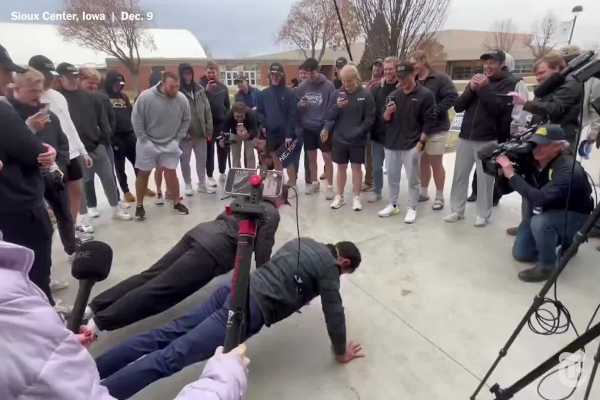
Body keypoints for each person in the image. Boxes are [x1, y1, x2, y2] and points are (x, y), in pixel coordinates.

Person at [95, 238, 364, 399]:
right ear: (344, 264)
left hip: (234, 288)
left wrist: (294, 295)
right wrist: (341, 352)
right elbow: (334, 312)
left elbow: (279, 269)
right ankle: (97, 394)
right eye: (343, 274)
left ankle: (94, 370)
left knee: (165, 335)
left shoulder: (304, 241)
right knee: (171, 357)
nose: (339, 278)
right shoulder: (330, 268)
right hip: (245, 310)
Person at [0, 239, 251, 400]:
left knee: (154, 289)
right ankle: (99, 319)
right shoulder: (9, 302)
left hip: (201, 240)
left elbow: (22, 362)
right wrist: (223, 380)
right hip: (236, 283)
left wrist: (55, 343)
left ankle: (96, 315)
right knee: (168, 350)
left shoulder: (9, 284)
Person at [85, 196, 280, 334]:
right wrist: (268, 278)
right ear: (280, 200)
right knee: (160, 289)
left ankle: (93, 307)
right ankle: (100, 322)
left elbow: (228, 215)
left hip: (199, 233)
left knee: (149, 276)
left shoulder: (246, 196)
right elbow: (263, 250)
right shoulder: (271, 213)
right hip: (212, 252)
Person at [497, 126, 594, 282]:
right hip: (550, 210)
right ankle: (557, 241)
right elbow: (507, 191)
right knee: (521, 254)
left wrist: (512, 176)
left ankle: (548, 266)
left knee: (540, 222)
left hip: (576, 216)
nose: (537, 148)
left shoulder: (568, 169)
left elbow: (539, 199)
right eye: (535, 143)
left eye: (543, 144)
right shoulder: (534, 162)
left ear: (559, 147)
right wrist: (503, 175)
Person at [0, 44, 57, 304]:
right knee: (35, 272)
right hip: (20, 205)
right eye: (5, 71)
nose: (8, 78)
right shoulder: (3, 109)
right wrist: (44, 152)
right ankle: (48, 325)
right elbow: (33, 152)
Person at [9, 68, 78, 260]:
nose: (38, 96)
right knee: (40, 228)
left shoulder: (48, 115)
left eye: (40, 91)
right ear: (17, 89)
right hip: (28, 182)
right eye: (32, 91)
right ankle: (39, 269)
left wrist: (60, 165)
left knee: (65, 214)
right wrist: (29, 128)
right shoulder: (9, 116)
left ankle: (72, 250)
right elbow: (11, 149)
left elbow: (63, 143)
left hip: (54, 175)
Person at [444, 50, 517, 227]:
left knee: (485, 178)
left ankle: (483, 213)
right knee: (460, 175)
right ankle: (456, 210)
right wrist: (471, 89)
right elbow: (459, 106)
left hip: (488, 138)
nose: (487, 66)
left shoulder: (509, 83)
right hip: (466, 136)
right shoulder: (477, 81)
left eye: (492, 63)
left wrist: (484, 89)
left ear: (502, 64)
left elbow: (498, 110)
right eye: (485, 63)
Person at [29, 55, 94, 242]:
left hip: (72, 151)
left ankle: (71, 227)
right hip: (53, 156)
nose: (50, 78)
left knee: (77, 190)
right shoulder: (33, 99)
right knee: (60, 198)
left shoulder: (58, 96)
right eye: (46, 74)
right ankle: (67, 235)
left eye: (52, 74)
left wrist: (82, 150)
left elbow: (69, 124)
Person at [56, 62, 131, 223]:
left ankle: (115, 208)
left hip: (98, 145)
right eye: (70, 77)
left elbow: (104, 120)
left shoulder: (94, 97)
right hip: (76, 150)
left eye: (75, 76)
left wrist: (104, 138)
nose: (73, 80)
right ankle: (83, 217)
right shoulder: (59, 98)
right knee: (81, 184)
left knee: (109, 178)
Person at [378, 62, 435, 223]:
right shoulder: (394, 94)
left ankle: (412, 207)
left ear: (413, 75)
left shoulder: (425, 95)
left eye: (404, 77)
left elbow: (429, 121)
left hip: (412, 144)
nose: (401, 81)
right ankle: (393, 204)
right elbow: (384, 119)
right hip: (392, 143)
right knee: (392, 177)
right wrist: (388, 112)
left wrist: (421, 142)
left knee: (412, 180)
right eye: (399, 78)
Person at [132, 71, 191, 220]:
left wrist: (177, 139)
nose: (175, 90)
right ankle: (139, 205)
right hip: (147, 142)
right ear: (163, 83)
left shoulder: (181, 99)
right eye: (172, 87)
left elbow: (186, 120)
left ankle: (176, 201)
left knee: (171, 172)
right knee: (143, 173)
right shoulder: (146, 97)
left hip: (170, 142)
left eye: (177, 87)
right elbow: (136, 119)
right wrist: (144, 140)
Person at [411, 50, 458, 211]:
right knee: (422, 161)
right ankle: (423, 192)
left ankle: (439, 196)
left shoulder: (440, 78)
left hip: (437, 128)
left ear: (423, 61)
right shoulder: (414, 80)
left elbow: (452, 96)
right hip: (420, 129)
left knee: (435, 162)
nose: (413, 67)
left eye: (415, 63)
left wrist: (436, 110)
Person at [323, 64, 375, 211]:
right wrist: (337, 107)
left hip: (357, 139)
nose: (346, 84)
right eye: (344, 81)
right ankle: (339, 196)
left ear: (356, 78)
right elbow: (329, 116)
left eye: (349, 81)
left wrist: (359, 131)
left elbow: (370, 119)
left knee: (356, 167)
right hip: (340, 139)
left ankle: (357, 197)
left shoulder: (365, 95)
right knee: (341, 168)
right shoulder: (337, 94)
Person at [510, 51, 583, 148]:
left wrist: (525, 103)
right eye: (536, 75)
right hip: (547, 137)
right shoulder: (551, 86)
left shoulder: (571, 84)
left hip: (560, 142)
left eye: (541, 73)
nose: (538, 78)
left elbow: (554, 109)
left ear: (557, 68)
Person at [78, 67, 120, 218]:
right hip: (81, 148)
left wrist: (105, 136)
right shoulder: (73, 100)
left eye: (96, 84)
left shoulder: (100, 98)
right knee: (86, 179)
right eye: (90, 83)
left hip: (101, 143)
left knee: (109, 175)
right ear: (80, 80)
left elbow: (108, 118)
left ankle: (116, 205)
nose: (93, 86)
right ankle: (90, 206)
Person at [295, 57, 336, 198]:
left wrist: (327, 127)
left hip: (323, 127)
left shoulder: (329, 86)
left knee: (327, 157)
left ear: (317, 70)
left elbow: (333, 109)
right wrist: (300, 105)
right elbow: (297, 107)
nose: (309, 76)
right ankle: (314, 183)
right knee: (311, 157)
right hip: (308, 128)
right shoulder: (302, 87)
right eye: (306, 73)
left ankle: (330, 186)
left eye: (311, 73)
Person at [256, 62, 300, 186]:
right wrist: (263, 125)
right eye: (272, 74)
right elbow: (260, 113)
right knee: (275, 159)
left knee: (288, 159)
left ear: (282, 76)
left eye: (277, 75)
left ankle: (292, 185)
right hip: (271, 133)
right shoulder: (263, 94)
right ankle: (279, 184)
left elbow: (293, 115)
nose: (275, 77)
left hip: (286, 134)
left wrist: (290, 134)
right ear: (269, 76)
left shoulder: (289, 93)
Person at [177, 63, 215, 196]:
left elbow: (207, 110)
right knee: (185, 161)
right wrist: (181, 132)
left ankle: (202, 183)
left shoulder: (199, 89)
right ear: (181, 75)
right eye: (184, 73)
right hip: (185, 136)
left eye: (189, 73)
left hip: (201, 133)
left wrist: (209, 129)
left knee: (201, 160)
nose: (187, 76)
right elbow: (175, 114)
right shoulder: (178, 91)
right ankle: (187, 184)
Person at [103, 70, 139, 203]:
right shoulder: (103, 97)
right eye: (116, 83)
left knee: (138, 162)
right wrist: (110, 136)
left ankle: (142, 186)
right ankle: (126, 191)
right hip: (115, 137)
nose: (119, 86)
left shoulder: (123, 97)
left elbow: (130, 113)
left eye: (121, 83)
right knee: (120, 166)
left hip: (129, 134)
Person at [368, 57, 398, 204]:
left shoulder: (402, 87)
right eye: (385, 69)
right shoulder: (376, 88)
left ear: (397, 69)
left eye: (390, 69)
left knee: (393, 169)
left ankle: (394, 195)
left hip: (395, 136)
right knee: (377, 166)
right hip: (377, 135)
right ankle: (376, 190)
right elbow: (371, 111)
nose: (387, 71)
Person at [201, 61, 230, 187]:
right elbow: (199, 104)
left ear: (217, 73)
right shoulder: (200, 87)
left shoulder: (223, 87)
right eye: (209, 72)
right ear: (205, 72)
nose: (211, 74)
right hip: (208, 125)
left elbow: (227, 105)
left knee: (223, 149)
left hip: (222, 124)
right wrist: (206, 91)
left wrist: (227, 122)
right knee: (209, 151)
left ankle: (223, 172)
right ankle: (210, 175)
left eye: (213, 72)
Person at [363, 58, 384, 193]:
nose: (376, 68)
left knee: (375, 158)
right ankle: (369, 180)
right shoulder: (370, 83)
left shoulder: (382, 83)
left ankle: (372, 182)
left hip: (379, 125)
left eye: (379, 66)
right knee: (367, 155)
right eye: (374, 66)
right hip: (368, 124)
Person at [223, 101, 258, 169]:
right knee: (235, 155)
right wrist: (224, 139)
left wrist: (248, 135)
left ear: (245, 113)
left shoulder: (251, 114)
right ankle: (237, 173)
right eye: (237, 116)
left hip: (248, 132)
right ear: (233, 113)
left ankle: (251, 174)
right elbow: (225, 130)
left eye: (242, 116)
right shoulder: (229, 116)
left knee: (250, 155)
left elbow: (254, 130)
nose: (239, 119)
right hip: (234, 133)